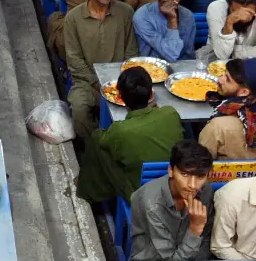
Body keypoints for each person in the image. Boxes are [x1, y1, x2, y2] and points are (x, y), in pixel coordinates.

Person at [76, 66, 184, 204]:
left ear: (120, 98)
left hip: (139, 194)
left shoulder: (120, 130)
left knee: (97, 140)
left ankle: (88, 192)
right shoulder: (171, 113)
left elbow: (101, 140)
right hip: (172, 186)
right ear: (151, 95)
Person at [62, 0, 137, 141]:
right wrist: (98, 84)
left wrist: (121, 83)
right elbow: (74, 60)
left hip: (121, 81)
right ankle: (96, 143)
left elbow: (131, 51)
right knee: (79, 109)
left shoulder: (125, 12)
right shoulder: (74, 18)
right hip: (87, 82)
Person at [132, 0, 196, 61]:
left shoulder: (187, 16)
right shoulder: (142, 16)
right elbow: (171, 54)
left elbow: (189, 53)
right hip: (150, 66)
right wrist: (172, 20)